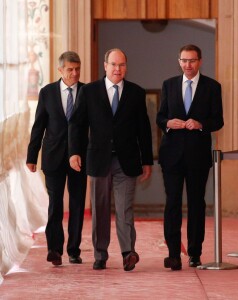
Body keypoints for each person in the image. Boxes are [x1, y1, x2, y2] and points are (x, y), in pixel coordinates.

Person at [68, 48, 153, 271]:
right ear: (105, 66)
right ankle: (100, 254)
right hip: (98, 159)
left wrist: (147, 160)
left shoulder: (136, 93)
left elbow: (144, 129)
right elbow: (77, 124)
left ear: (126, 67)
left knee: (125, 209)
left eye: (122, 65)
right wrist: (74, 152)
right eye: (113, 64)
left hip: (127, 161)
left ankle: (128, 253)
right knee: (100, 208)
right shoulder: (89, 92)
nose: (118, 69)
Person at [156, 44, 224, 271]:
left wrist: (201, 124)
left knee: (196, 204)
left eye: (192, 61)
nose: (188, 65)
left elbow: (218, 121)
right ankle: (173, 254)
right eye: (184, 60)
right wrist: (168, 123)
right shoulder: (168, 85)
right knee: (172, 204)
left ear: (200, 61)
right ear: (179, 61)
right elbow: (160, 117)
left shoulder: (212, 87)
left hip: (198, 156)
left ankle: (195, 253)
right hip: (171, 156)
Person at [26, 51, 87, 266]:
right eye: (70, 69)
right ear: (60, 70)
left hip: (80, 158)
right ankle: (54, 249)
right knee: (55, 204)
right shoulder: (47, 92)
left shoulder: (87, 92)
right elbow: (39, 125)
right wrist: (31, 156)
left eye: (77, 69)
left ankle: (74, 250)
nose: (74, 73)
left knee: (78, 205)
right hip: (53, 157)